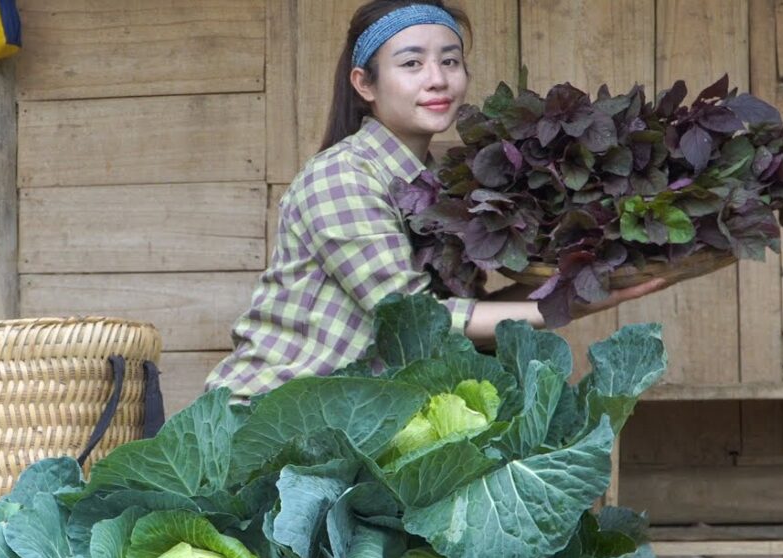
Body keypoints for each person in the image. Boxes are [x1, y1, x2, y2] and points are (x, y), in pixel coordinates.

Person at [205, 0, 665, 401]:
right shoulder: (342, 176)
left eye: (450, 62)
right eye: (411, 64)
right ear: (365, 84)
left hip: (368, 417)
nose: (437, 80)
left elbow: (468, 310)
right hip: (274, 416)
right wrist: (570, 306)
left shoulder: (445, 185)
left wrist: (588, 274)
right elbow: (416, 317)